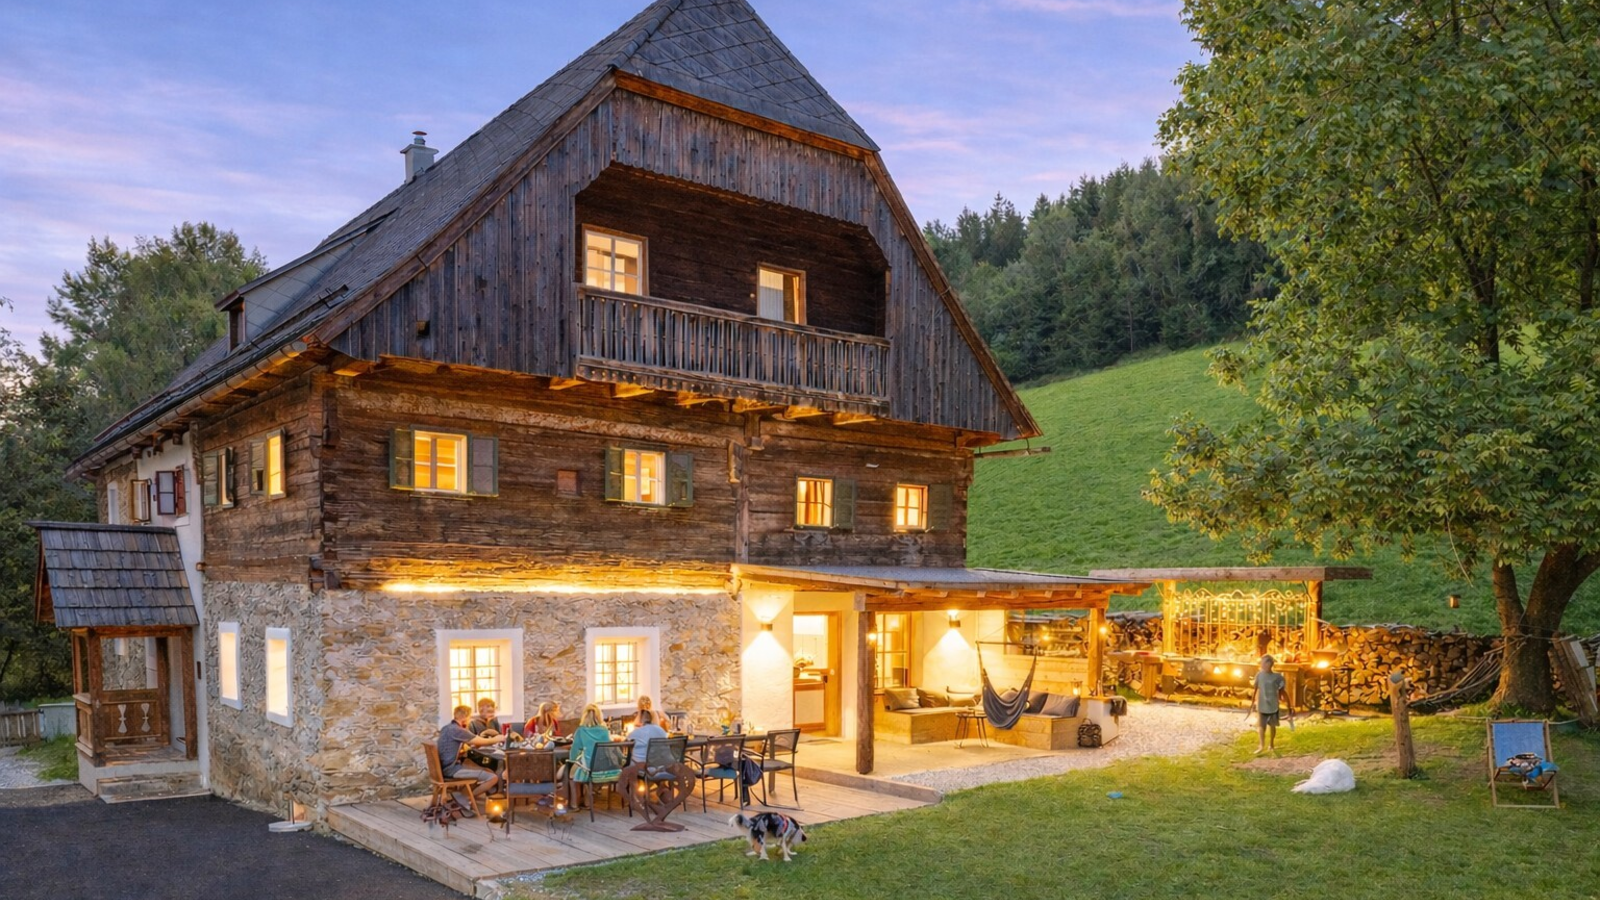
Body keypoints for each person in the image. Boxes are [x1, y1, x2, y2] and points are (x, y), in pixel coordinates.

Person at [437, 704, 503, 813]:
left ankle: (464, 795)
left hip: (445, 766)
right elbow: (484, 741)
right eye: (469, 717)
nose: (469, 720)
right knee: (493, 777)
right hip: (451, 769)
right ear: (464, 717)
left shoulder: (446, 728)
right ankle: (465, 798)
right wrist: (499, 738)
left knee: (486, 769)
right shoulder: (458, 730)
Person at [565, 703, 615, 806]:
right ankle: (588, 801)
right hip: (603, 767)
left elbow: (575, 750)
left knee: (571, 773)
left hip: (587, 767)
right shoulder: (604, 731)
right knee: (585, 771)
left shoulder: (581, 730)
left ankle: (574, 803)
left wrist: (572, 761)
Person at [1252, 654, 1289, 754]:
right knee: (1261, 726)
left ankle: (1271, 744)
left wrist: (1287, 702)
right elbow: (1255, 689)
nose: (1262, 665)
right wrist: (1253, 701)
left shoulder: (1277, 677)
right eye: (1261, 663)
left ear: (1270, 664)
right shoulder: (1259, 675)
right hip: (1262, 704)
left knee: (1272, 725)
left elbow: (1282, 691)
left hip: (1273, 705)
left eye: (1264, 663)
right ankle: (1261, 745)